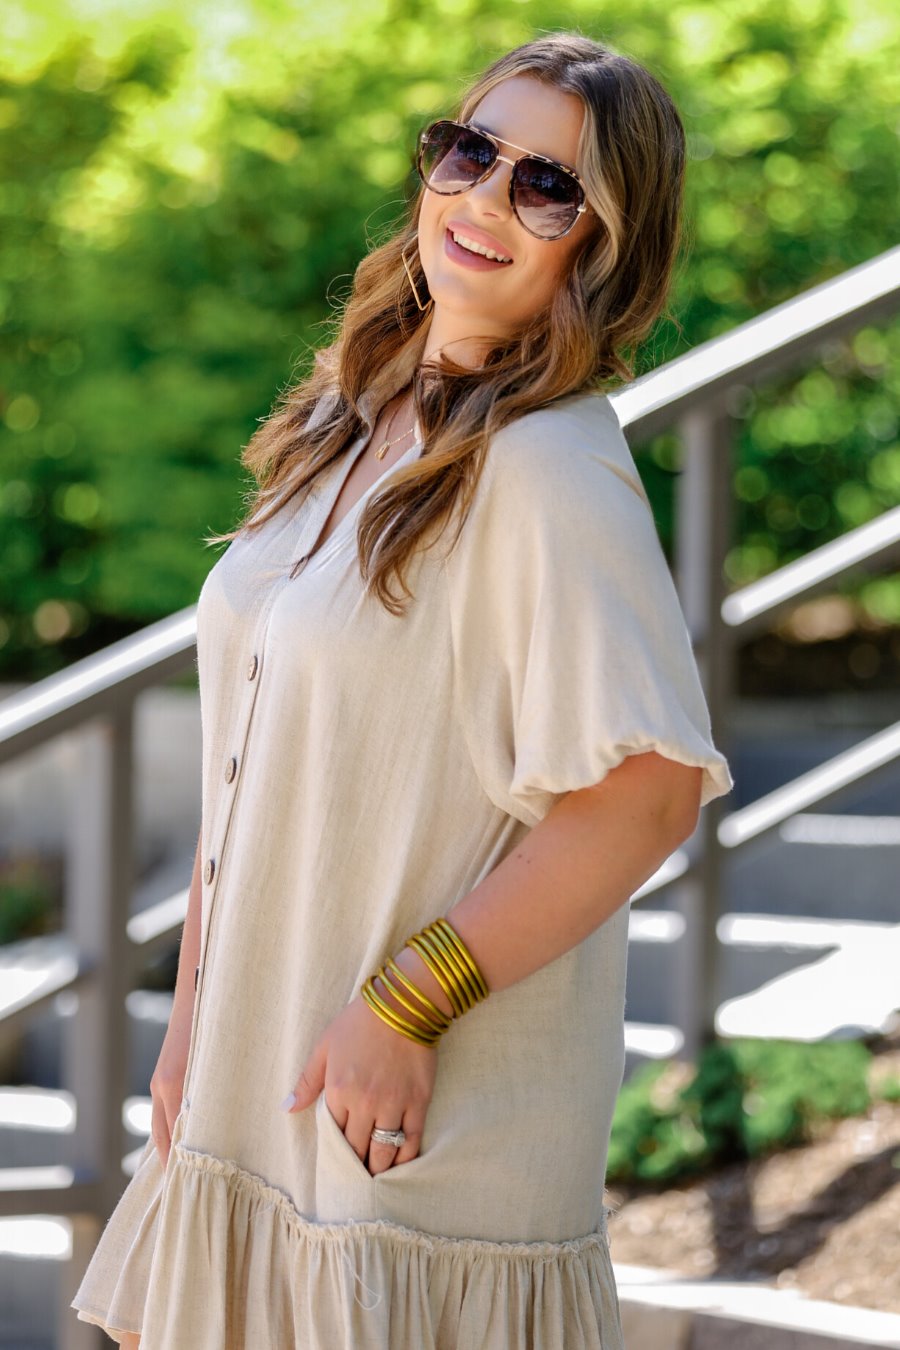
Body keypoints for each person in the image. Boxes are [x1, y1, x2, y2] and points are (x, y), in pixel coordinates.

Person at [71, 30, 733, 1349]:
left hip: (408, 1144)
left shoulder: (552, 468)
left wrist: (404, 1000)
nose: (486, 197)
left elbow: (647, 796)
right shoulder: (351, 418)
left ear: (602, 245)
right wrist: (194, 1021)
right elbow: (247, 766)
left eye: (547, 185)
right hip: (251, 1094)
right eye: (469, 151)